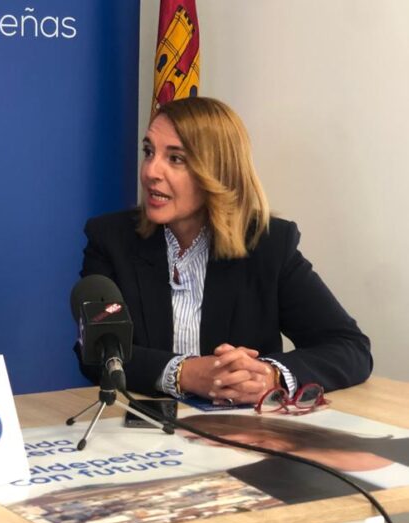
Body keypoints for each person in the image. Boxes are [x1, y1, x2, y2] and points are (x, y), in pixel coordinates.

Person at [77, 97, 372, 405]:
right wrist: (184, 373)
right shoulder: (112, 239)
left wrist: (268, 375)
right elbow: (94, 352)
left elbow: (350, 347)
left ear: (218, 171)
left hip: (241, 428)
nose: (151, 171)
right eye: (149, 151)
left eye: (175, 159)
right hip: (143, 425)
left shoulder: (268, 245)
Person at [181, 414, 409, 504]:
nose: (211, 443)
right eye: (197, 441)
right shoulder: (264, 481)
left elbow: (347, 346)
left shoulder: (399, 445)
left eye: (211, 435)